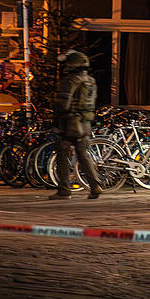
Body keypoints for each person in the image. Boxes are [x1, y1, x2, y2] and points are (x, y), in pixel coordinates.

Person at [49, 50, 103, 200]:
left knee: (62, 152)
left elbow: (63, 104)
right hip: (85, 122)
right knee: (83, 155)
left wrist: (57, 119)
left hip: (70, 123)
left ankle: (64, 189)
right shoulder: (90, 81)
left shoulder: (70, 80)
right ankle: (95, 185)